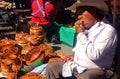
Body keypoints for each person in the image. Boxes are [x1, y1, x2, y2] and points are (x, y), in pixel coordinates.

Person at [45, 0, 118, 79]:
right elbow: (77, 47)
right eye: (78, 13)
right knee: (52, 67)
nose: (79, 17)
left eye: (81, 13)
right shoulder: (86, 28)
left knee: (86, 77)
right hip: (78, 66)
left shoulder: (108, 30)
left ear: (93, 11)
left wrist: (81, 34)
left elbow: (95, 55)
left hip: (96, 70)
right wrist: (73, 55)